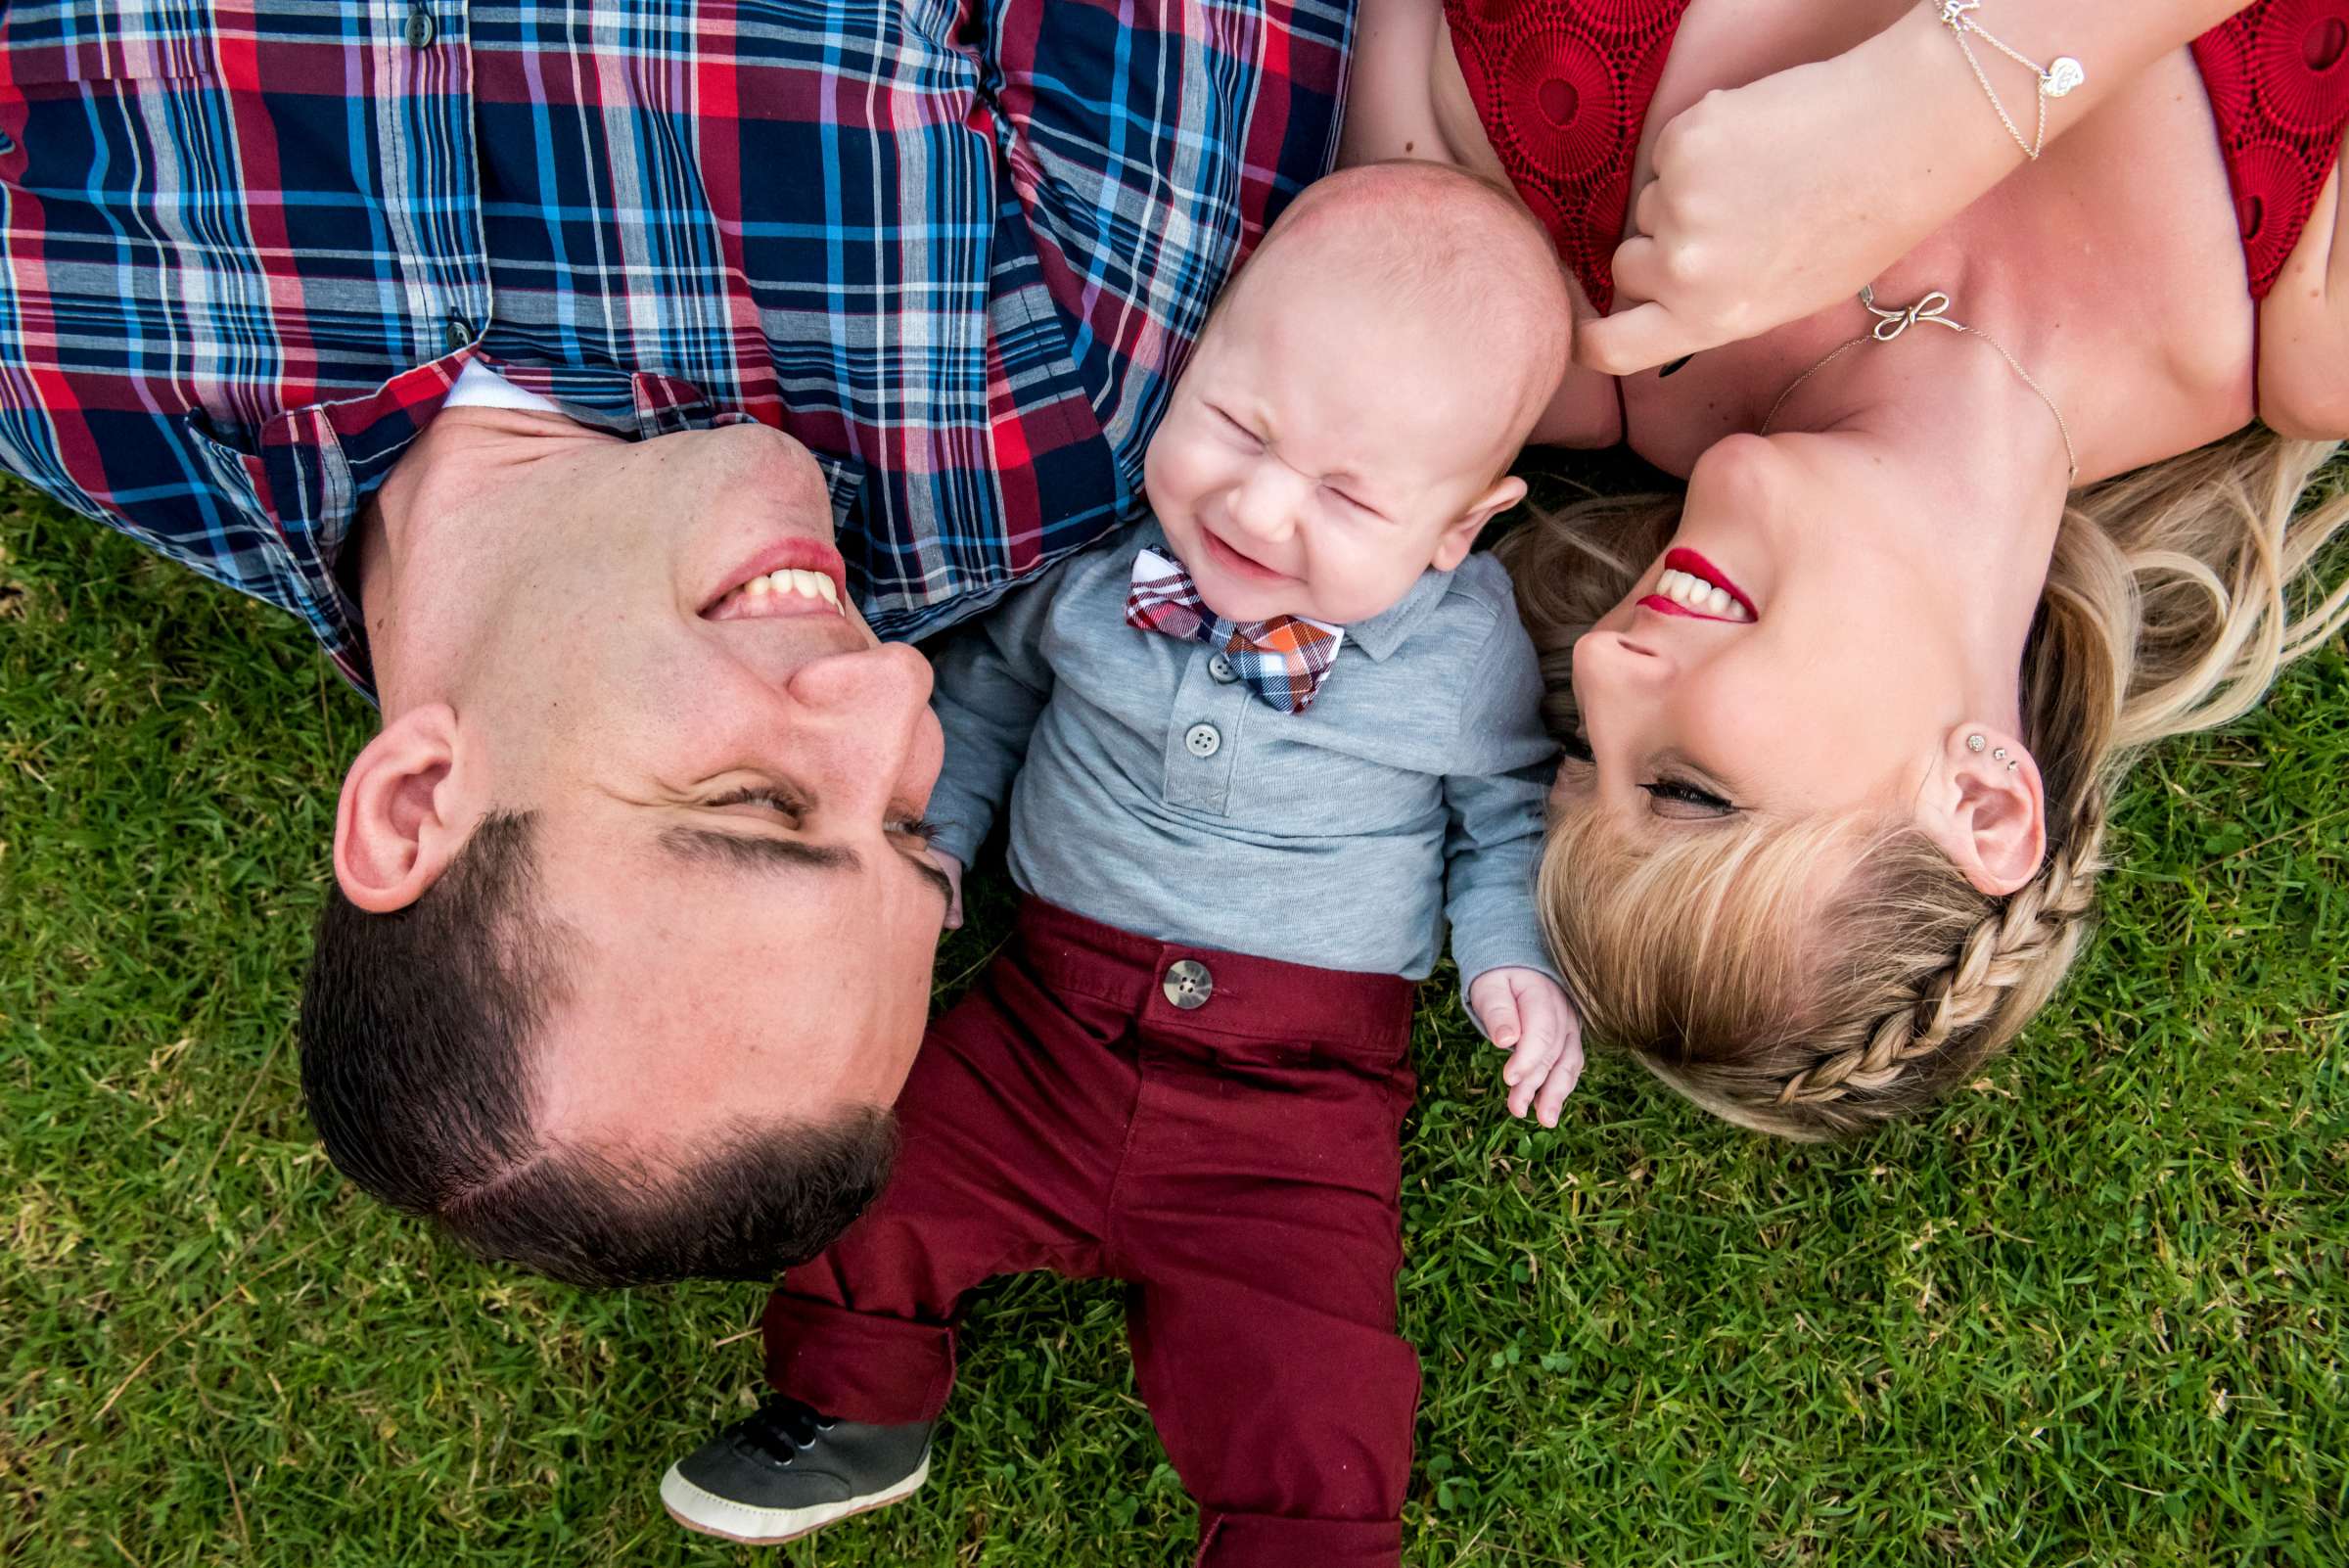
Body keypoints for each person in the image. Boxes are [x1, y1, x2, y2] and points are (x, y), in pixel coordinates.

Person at [0, 0, 1348, 1281]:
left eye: (757, 802)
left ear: (415, 802)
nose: (893, 695)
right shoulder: (1051, 394)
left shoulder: (58, 350)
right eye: (904, 824)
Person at [655, 163, 1581, 1565]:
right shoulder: (1088, 560)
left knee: (1309, 1354)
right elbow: (982, 702)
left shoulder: (1459, 652)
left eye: (1344, 493)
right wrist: (929, 846)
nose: (1261, 514)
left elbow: (1509, 806)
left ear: (1459, 528)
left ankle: (1300, 1542)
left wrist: (1511, 956)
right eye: (1236, 426)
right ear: (1186, 361)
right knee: (871, 1159)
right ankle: (852, 1405)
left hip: (1296, 1108)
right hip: (1041, 1024)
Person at [1339, 0, 2349, 1136]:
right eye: (1686, 791)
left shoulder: (1528, 326)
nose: (1607, 666)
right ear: (1981, 797)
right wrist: (1928, 108)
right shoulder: (2310, 333)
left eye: (1582, 750)